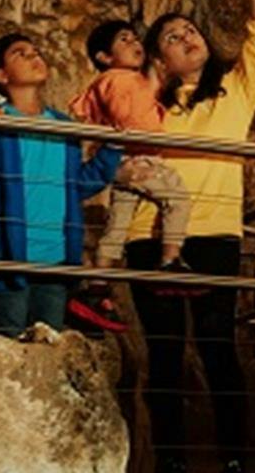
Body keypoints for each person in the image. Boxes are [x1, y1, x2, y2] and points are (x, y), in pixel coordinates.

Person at [128, 0, 255, 473]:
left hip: (215, 234)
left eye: (190, 29)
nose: (187, 36)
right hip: (150, 233)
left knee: (218, 347)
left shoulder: (234, 92)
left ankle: (235, 471)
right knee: (164, 353)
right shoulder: (146, 104)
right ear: (157, 59)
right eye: (171, 36)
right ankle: (171, 471)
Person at [0, 33, 121, 333]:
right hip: (8, 259)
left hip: (56, 259)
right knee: (9, 347)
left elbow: (77, 185)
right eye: (21, 53)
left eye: (36, 51)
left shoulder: (64, 126)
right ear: (0, 75)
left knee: (48, 349)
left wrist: (111, 150)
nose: (35, 56)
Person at [67, 19, 193, 332]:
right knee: (178, 198)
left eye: (136, 38)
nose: (135, 43)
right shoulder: (118, 79)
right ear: (104, 57)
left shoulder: (125, 80)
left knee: (117, 227)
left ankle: (97, 286)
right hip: (138, 158)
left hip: (121, 161)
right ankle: (169, 262)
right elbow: (131, 117)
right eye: (124, 39)